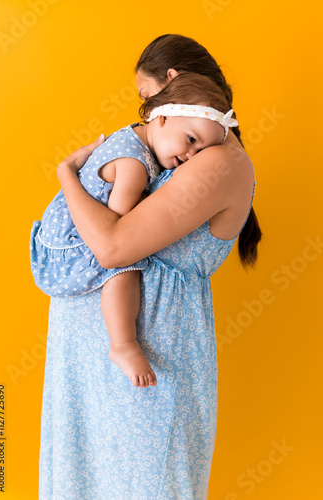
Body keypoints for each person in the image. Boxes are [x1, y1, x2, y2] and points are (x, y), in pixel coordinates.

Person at [38, 34, 262, 500]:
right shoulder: (174, 151)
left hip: (145, 364)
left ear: (173, 84)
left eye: (147, 96)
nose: (143, 111)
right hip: (89, 363)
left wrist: (63, 173)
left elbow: (114, 247)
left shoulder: (217, 158)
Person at [31, 73, 239, 389]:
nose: (190, 157)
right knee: (127, 264)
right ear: (163, 116)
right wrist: (66, 173)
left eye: (200, 152)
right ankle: (123, 343)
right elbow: (115, 233)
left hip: (59, 236)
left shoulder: (134, 139)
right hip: (70, 246)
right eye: (191, 141)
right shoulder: (135, 166)